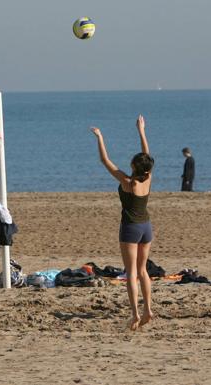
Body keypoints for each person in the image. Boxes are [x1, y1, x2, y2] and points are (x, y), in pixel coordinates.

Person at [91, 114, 155, 331]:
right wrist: (141, 131)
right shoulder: (148, 177)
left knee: (131, 273)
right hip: (146, 227)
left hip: (131, 228)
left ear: (134, 167)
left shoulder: (129, 183)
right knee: (143, 270)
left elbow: (105, 161)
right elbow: (147, 155)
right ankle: (148, 309)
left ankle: (136, 314)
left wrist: (100, 137)